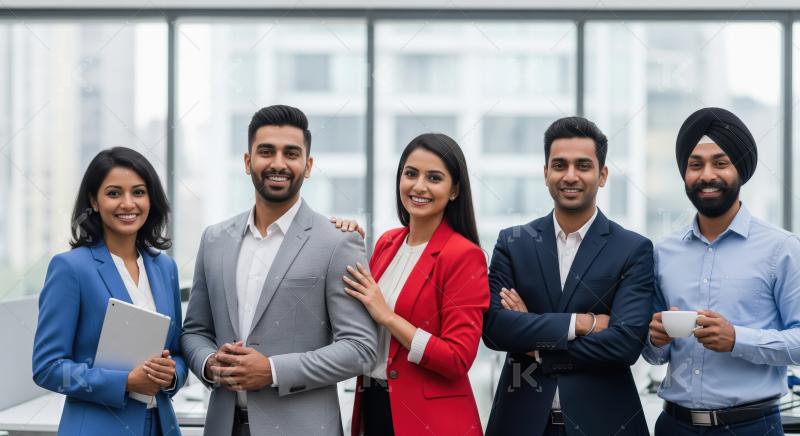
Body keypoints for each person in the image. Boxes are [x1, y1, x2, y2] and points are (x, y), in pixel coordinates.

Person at [181, 104, 378, 436]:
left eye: (291, 153)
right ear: (248, 162)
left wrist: (271, 370)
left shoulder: (336, 243)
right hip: (224, 427)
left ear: (308, 165)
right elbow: (195, 331)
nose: (278, 163)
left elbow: (361, 349)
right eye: (266, 152)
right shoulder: (214, 240)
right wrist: (208, 363)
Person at [483, 117, 654, 436]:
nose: (570, 176)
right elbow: (495, 329)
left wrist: (536, 345)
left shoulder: (633, 250)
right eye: (559, 165)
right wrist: (581, 324)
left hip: (605, 424)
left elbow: (625, 345)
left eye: (583, 166)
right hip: (520, 422)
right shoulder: (513, 243)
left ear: (602, 175)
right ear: (546, 173)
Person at [643, 107, 800, 435]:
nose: (707, 175)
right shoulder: (663, 252)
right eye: (695, 165)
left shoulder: (782, 248)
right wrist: (655, 340)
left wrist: (736, 339)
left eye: (721, 162)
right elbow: (655, 355)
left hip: (751, 427)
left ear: (740, 171)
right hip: (674, 426)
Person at [337, 133, 487, 435]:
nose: (419, 186)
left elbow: (457, 358)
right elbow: (360, 315)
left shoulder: (463, 256)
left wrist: (389, 317)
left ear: (454, 190)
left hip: (430, 420)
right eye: (411, 174)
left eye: (434, 178)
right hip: (374, 404)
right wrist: (343, 244)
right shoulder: (387, 243)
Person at [32, 147, 187, 436]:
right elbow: (48, 368)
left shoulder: (165, 267)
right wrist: (126, 381)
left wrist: (171, 376)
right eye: (114, 193)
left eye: (138, 192)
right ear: (94, 200)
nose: (128, 204)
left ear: (150, 199)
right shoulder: (71, 269)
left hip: (160, 427)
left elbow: (177, 352)